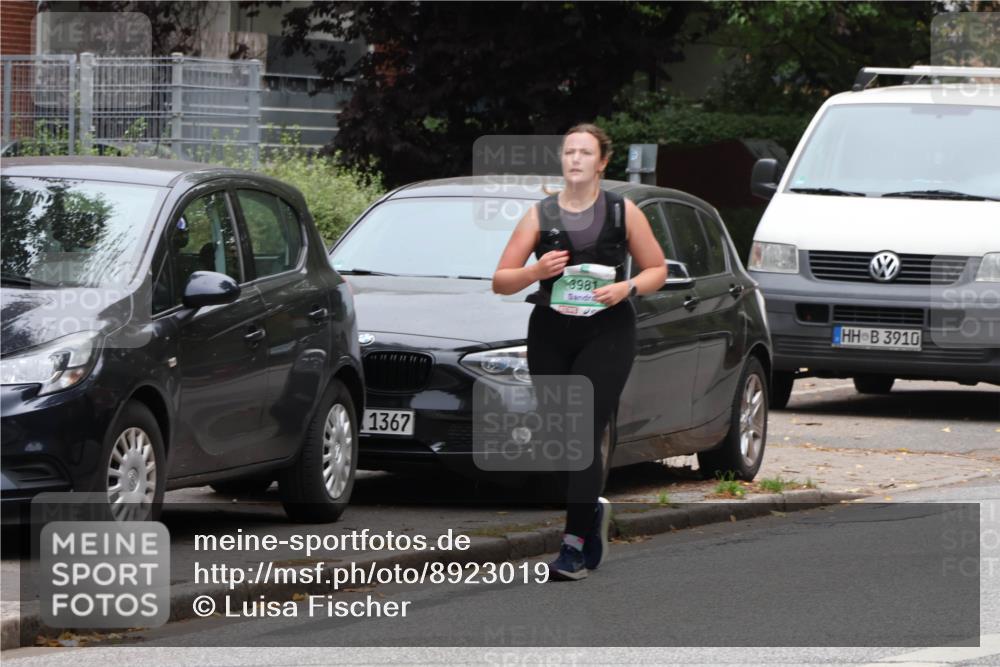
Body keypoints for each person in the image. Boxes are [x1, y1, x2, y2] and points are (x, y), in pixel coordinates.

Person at [492, 123, 667, 580]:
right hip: (551, 331)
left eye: (585, 152)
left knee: (584, 429)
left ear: (602, 162)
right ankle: (591, 512)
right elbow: (501, 281)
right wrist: (534, 272)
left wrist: (626, 287)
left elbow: (657, 269)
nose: (575, 159)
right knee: (561, 438)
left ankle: (571, 548)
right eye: (569, 151)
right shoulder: (540, 214)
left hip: (607, 331)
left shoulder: (622, 212)